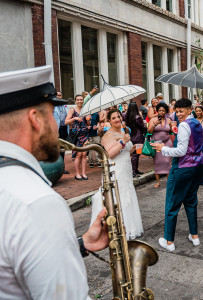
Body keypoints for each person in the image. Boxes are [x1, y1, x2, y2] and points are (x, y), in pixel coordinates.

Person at [0, 65, 109, 299]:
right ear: (35, 120)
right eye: (52, 115)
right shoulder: (37, 203)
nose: (56, 126)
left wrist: (80, 244)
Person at [151, 98, 203, 251]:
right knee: (191, 200)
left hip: (182, 167)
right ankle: (194, 236)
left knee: (172, 203)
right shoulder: (197, 123)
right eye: (176, 111)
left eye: (181, 111)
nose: (178, 114)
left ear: (189, 109)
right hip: (197, 166)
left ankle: (169, 241)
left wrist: (162, 148)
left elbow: (181, 151)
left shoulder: (185, 125)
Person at [91, 109, 144, 239]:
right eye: (113, 118)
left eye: (118, 116)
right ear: (109, 120)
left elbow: (123, 151)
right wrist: (123, 142)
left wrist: (130, 149)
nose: (117, 119)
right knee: (117, 196)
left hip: (126, 169)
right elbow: (110, 154)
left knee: (127, 195)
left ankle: (128, 226)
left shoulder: (122, 132)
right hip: (116, 170)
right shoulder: (108, 135)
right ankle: (115, 228)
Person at [65, 95, 90, 180]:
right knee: (78, 154)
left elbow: (88, 124)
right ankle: (77, 173)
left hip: (85, 134)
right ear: (75, 101)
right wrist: (74, 118)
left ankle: (83, 173)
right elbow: (66, 122)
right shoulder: (72, 110)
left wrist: (88, 120)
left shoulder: (85, 110)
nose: (80, 101)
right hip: (76, 135)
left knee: (84, 154)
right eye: (78, 100)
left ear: (83, 100)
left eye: (81, 100)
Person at [148, 102, 173, 188]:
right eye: (160, 110)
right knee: (157, 162)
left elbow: (170, 131)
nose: (161, 112)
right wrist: (155, 124)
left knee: (167, 162)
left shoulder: (168, 120)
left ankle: (169, 181)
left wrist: (173, 128)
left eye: (163, 111)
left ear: (166, 112)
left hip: (167, 143)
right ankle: (158, 181)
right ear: (157, 111)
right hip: (157, 144)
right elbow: (149, 131)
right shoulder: (153, 120)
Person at [125, 102, 147, 177]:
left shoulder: (127, 116)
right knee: (136, 154)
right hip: (138, 137)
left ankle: (135, 169)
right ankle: (133, 171)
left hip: (131, 136)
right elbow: (143, 127)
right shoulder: (137, 117)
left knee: (135, 154)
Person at [53, 90, 70, 174]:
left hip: (64, 129)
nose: (58, 97)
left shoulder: (65, 106)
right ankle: (57, 168)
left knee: (63, 149)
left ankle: (62, 168)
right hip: (56, 130)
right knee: (57, 149)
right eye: (57, 95)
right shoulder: (52, 106)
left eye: (60, 95)